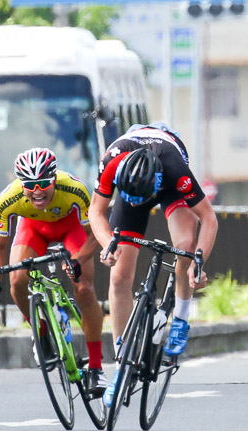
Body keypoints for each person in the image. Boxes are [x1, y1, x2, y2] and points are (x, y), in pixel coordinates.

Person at [88, 122, 218, 405]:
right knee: (119, 275)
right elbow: (95, 211)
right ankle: (121, 363)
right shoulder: (111, 160)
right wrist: (107, 244)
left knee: (183, 248)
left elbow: (209, 219)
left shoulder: (174, 168)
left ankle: (181, 318)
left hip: (168, 185)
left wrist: (199, 260)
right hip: (131, 180)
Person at [0, 147, 107, 397]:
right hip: (34, 230)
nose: (37, 191)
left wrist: (78, 259)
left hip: (71, 229)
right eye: (30, 185)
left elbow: (95, 235)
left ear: (54, 179)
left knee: (83, 287)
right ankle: (41, 332)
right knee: (17, 279)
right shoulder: (9, 198)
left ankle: (95, 367)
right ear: (21, 183)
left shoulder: (74, 189)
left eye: (43, 184)